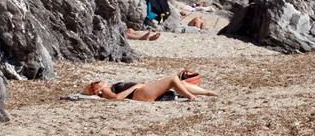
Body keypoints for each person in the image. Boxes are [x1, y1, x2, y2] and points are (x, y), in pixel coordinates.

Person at [83, 72, 218, 102]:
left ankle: (208, 93)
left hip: (141, 91)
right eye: (96, 82)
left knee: (179, 83)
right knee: (172, 78)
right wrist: (134, 86)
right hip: (139, 93)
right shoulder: (105, 91)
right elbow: (116, 98)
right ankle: (190, 96)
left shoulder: (107, 87)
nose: (99, 81)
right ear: (96, 90)